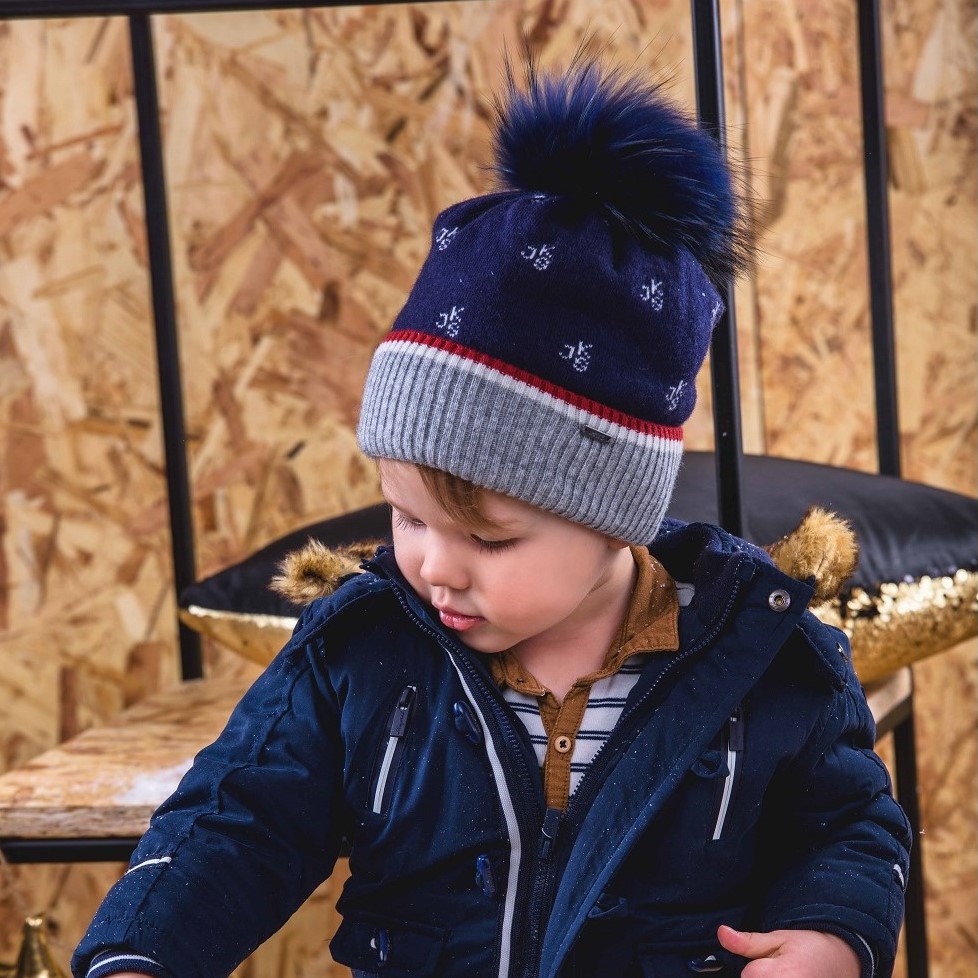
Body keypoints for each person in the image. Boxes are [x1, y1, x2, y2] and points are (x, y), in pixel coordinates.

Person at [73, 58, 911, 978]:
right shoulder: (362, 651)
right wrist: (138, 956)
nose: (434, 565)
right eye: (407, 517)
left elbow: (848, 829)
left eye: (488, 538)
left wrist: (833, 935)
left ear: (614, 516)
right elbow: (235, 822)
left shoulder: (762, 656)